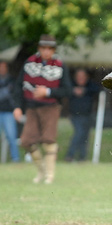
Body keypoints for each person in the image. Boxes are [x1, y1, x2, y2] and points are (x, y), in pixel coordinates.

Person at [12, 35, 72, 183]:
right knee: (26, 141)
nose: (46, 51)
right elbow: (19, 86)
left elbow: (68, 90)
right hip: (32, 107)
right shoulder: (29, 63)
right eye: (44, 48)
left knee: (48, 140)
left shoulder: (59, 64)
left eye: (50, 48)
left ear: (53, 50)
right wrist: (17, 106)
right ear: (39, 48)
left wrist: (48, 92)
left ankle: (49, 176)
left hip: (51, 107)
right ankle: (42, 171)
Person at [65, 68, 100, 162]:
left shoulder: (90, 86)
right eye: (78, 77)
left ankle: (82, 157)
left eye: (82, 77)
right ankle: (70, 155)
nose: (80, 79)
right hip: (75, 114)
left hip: (87, 114)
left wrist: (85, 90)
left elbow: (98, 89)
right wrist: (73, 91)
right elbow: (65, 91)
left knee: (85, 136)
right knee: (79, 133)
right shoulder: (71, 85)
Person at [0, 61, 20, 162]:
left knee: (12, 136)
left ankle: (15, 159)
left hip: (8, 112)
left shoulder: (12, 80)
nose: (2, 69)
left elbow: (16, 95)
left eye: (4, 67)